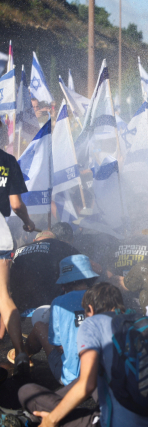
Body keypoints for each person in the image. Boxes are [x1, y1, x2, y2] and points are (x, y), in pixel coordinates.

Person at [18, 282, 148, 427]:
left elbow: (86, 385)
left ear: (90, 309)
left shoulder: (93, 323)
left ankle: (37, 418)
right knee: (98, 373)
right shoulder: (147, 323)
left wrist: (51, 421)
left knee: (26, 392)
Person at [21, 255, 98, 386]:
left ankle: (22, 355)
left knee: (40, 326)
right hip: (100, 376)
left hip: (71, 378)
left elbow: (57, 344)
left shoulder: (59, 303)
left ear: (64, 284)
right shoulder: (102, 297)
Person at [0, 144, 37, 375]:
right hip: (0, 231)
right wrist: (28, 222)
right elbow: (15, 204)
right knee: (3, 294)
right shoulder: (7, 160)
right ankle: (21, 353)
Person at [10, 228, 80, 316]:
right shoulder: (60, 245)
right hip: (49, 310)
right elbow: (82, 265)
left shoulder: (20, 249)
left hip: (19, 311)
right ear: (56, 240)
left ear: (34, 240)